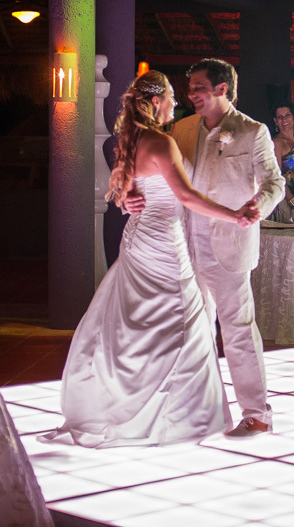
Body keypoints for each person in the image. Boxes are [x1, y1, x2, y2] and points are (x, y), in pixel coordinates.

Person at [44, 71, 256, 448]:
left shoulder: (133, 139)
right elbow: (187, 198)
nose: (177, 102)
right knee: (183, 323)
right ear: (156, 102)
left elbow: (130, 190)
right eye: (172, 96)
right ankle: (182, 418)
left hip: (138, 241)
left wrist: (127, 200)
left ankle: (132, 404)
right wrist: (235, 215)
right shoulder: (160, 141)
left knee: (139, 325)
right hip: (164, 243)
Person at [130, 58, 285, 439]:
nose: (190, 94)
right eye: (189, 88)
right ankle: (202, 410)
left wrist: (258, 206)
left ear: (221, 89)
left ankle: (256, 413)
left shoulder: (252, 131)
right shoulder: (180, 128)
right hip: (181, 246)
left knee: (237, 330)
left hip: (229, 243)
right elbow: (150, 165)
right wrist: (131, 193)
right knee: (193, 332)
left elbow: (275, 182)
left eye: (198, 87)